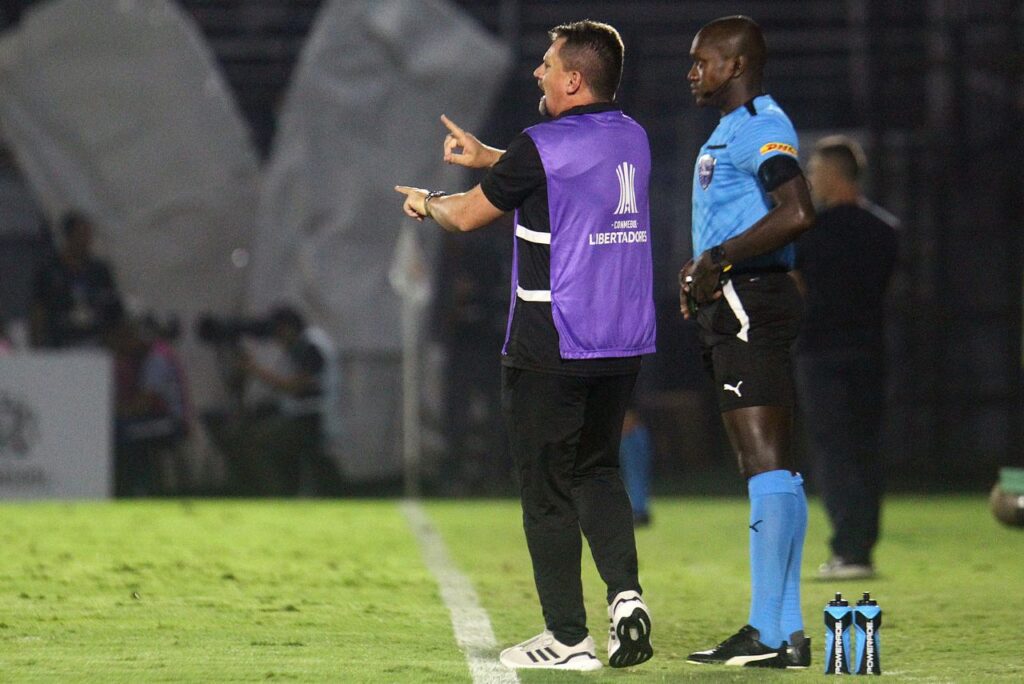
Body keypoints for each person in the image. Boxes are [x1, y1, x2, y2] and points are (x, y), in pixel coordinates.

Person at [395, 20, 655, 672]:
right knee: (598, 471)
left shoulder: (543, 146)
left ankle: (568, 639)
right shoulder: (632, 138)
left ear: (573, 78)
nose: (537, 73)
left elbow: (470, 215)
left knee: (544, 491)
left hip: (551, 341)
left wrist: (427, 202)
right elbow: (568, 172)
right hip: (620, 340)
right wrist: (491, 157)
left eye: (546, 64)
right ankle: (626, 598)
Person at [678, 15, 816, 669]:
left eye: (702, 60)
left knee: (763, 462)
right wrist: (702, 266)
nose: (693, 71)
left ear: (735, 65)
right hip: (739, 300)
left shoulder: (761, 122)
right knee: (773, 465)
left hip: (749, 301)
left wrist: (718, 261)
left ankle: (768, 630)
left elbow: (797, 209)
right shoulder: (732, 127)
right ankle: (783, 631)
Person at [793, 136, 899, 580]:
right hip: (870, 351)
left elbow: (798, 285)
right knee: (865, 450)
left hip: (820, 351)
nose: (811, 180)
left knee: (833, 451)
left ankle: (848, 552)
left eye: (816, 172)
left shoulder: (808, 229)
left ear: (834, 175)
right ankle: (863, 546)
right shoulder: (886, 230)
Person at [205, 306, 342, 497]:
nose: (276, 340)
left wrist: (253, 369)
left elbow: (295, 387)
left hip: (312, 418)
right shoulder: (303, 345)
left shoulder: (312, 345)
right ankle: (282, 491)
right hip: (301, 413)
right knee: (248, 428)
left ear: (287, 328)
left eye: (278, 332)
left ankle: (276, 495)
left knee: (255, 442)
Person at [108, 312, 190, 497]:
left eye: (126, 339)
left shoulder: (156, 359)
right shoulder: (142, 359)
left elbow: (142, 405)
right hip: (156, 418)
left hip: (172, 423)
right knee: (128, 430)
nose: (123, 347)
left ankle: (138, 490)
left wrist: (112, 413)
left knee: (124, 432)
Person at [30, 212, 122, 348]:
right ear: (69, 237)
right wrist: (37, 345)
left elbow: (113, 307)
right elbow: (38, 308)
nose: (87, 240)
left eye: (88, 235)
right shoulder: (48, 271)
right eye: (82, 235)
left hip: (96, 340)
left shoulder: (99, 271)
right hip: (60, 342)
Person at [620, 407, 653, 526]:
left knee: (634, 472)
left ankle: (638, 511)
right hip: (630, 428)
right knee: (635, 473)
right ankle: (638, 510)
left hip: (631, 430)